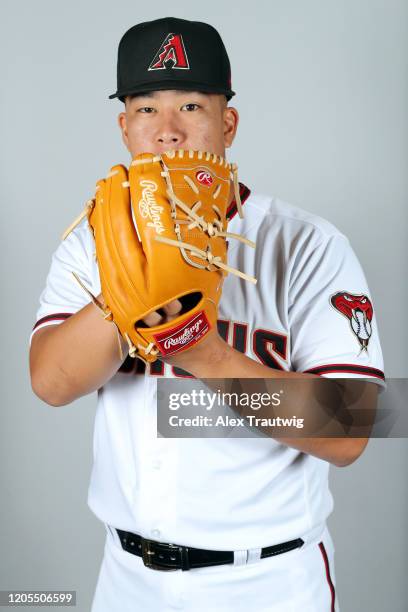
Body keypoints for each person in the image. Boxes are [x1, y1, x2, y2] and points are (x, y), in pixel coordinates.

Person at [29, 17, 385, 612]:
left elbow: (350, 432)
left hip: (268, 580)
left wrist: (200, 349)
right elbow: (50, 382)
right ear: (124, 128)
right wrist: (126, 295)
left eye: (191, 105)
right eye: (146, 109)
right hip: (126, 578)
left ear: (228, 123)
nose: (168, 132)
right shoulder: (93, 242)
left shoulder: (305, 243)